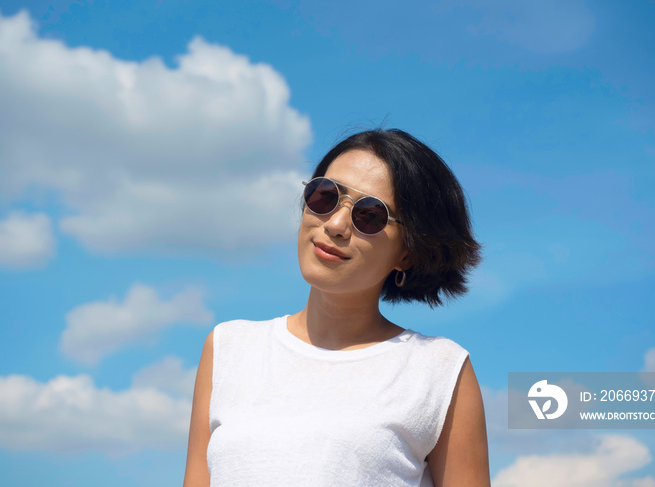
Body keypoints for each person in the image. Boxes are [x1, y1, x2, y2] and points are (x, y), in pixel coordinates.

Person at [183, 129, 491, 487]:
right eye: (325, 196)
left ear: (407, 253)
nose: (336, 224)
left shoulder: (440, 370)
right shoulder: (227, 348)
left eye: (371, 215)